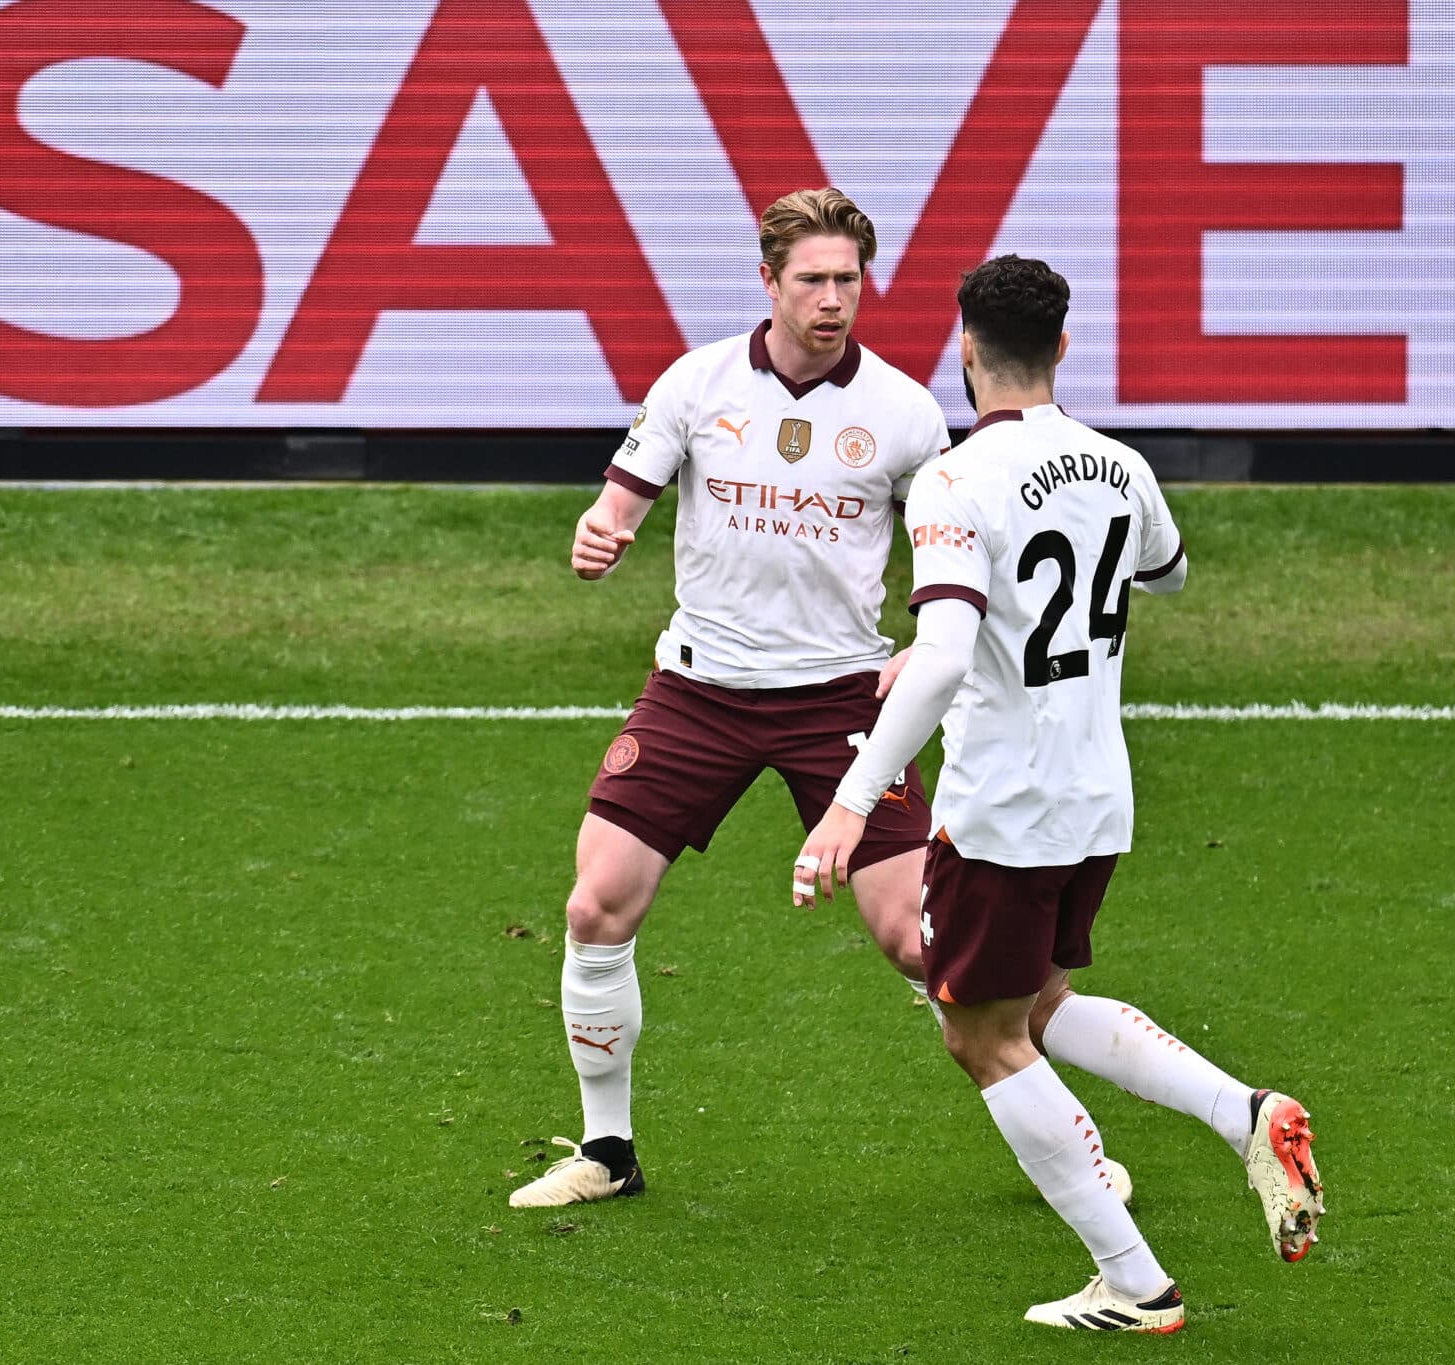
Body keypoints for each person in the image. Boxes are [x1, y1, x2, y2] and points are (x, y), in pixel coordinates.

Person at [793, 254, 1324, 1332]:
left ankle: (1134, 1284)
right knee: (1031, 1002)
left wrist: (850, 801)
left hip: (1001, 804)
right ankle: (1244, 1114)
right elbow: (1165, 572)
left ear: (963, 352)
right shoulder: (1117, 465)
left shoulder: (951, 478)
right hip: (1094, 796)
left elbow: (943, 654)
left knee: (979, 1039)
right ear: (1065, 349)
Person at [506, 188, 956, 1209]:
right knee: (594, 905)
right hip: (696, 691)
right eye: (813, 280)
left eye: (847, 279)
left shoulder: (903, 413)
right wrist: (597, 537)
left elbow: (950, 556)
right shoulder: (697, 381)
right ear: (768, 281)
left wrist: (928, 644)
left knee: (915, 938)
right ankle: (606, 1152)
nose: (833, 299)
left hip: (838, 699)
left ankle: (1059, 1138)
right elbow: (618, 502)